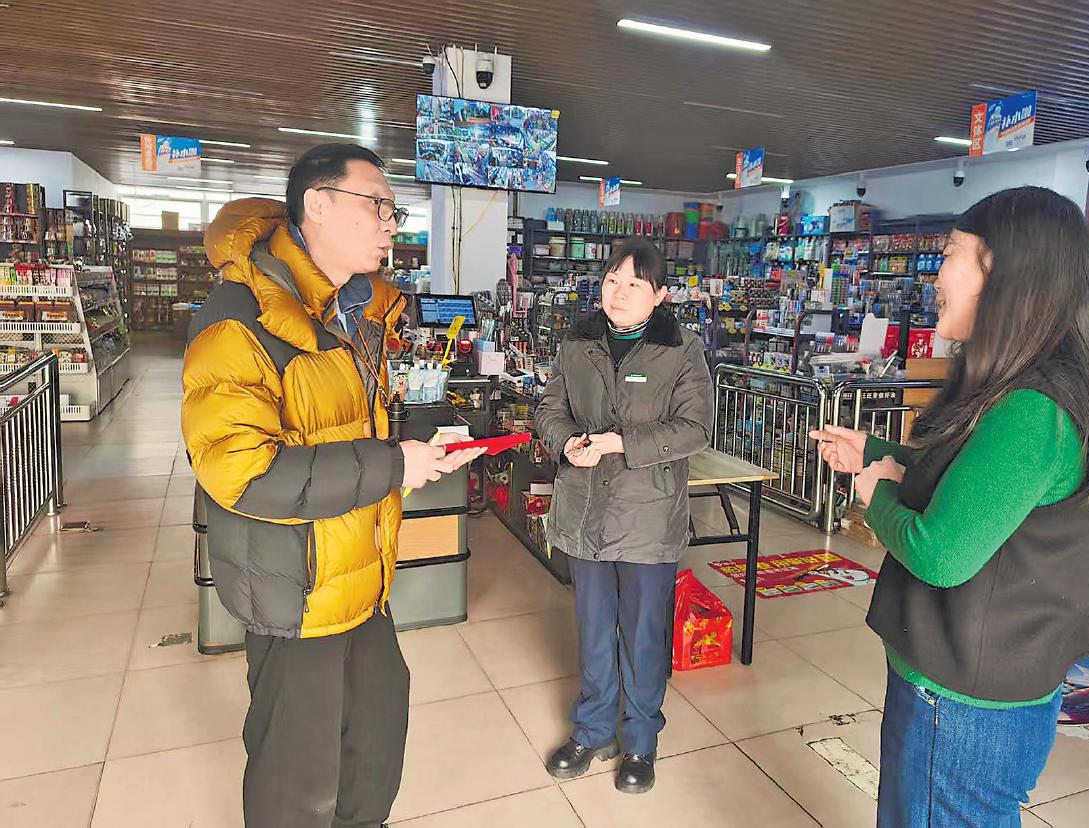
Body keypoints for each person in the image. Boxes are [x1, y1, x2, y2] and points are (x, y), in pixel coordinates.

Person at [181, 143, 484, 828]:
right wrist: (392, 465)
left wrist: (412, 458)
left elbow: (344, 432)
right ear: (317, 204)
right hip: (296, 590)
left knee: (374, 746)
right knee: (297, 778)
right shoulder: (240, 319)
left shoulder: (356, 313)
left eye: (393, 211)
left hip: (361, 578)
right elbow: (241, 474)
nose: (391, 224)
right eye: (377, 205)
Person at [811, 186, 1089, 826]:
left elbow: (942, 553)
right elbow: (972, 485)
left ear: (1005, 272)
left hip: (964, 703)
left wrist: (876, 493)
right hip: (962, 685)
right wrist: (875, 452)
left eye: (951, 254)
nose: (935, 277)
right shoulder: (1018, 386)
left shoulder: (1032, 410)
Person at [534, 237, 714, 794]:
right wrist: (566, 442)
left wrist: (620, 443)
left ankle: (640, 741)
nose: (619, 292)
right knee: (593, 628)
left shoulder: (681, 350)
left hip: (647, 516)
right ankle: (592, 730)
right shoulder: (578, 341)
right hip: (584, 509)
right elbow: (550, 409)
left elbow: (695, 429)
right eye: (612, 279)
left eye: (634, 283)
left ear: (659, 295)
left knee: (642, 634)